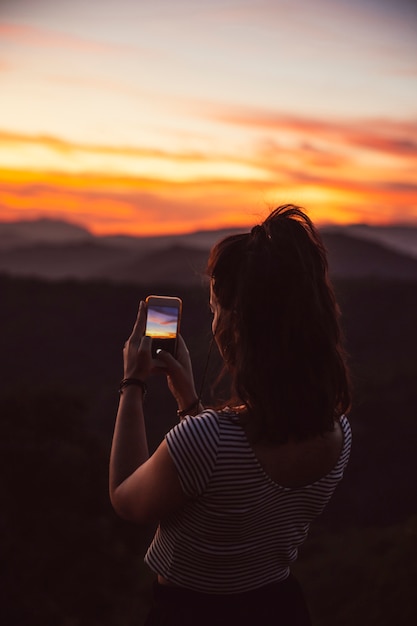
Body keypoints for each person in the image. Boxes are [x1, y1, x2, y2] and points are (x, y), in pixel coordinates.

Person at [109, 205, 352, 626]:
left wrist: (133, 385)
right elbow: (229, 485)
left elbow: (127, 501)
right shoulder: (338, 432)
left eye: (215, 309)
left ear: (236, 328)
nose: (214, 320)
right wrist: (188, 400)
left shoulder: (208, 441)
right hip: (281, 609)